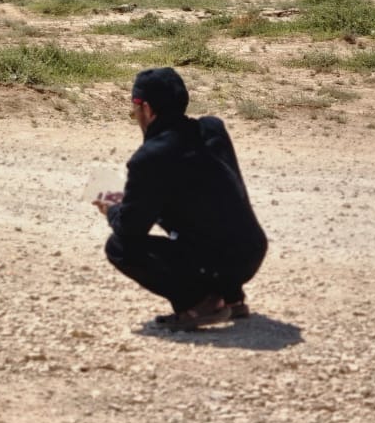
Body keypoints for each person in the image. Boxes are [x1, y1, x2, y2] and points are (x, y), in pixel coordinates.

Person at [92, 67, 268, 331]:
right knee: (208, 219)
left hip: (217, 262)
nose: (136, 117)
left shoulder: (150, 158)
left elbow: (131, 228)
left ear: (148, 109)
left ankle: (200, 303)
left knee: (119, 247)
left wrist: (112, 209)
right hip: (251, 252)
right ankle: (232, 298)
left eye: (134, 111)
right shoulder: (212, 129)